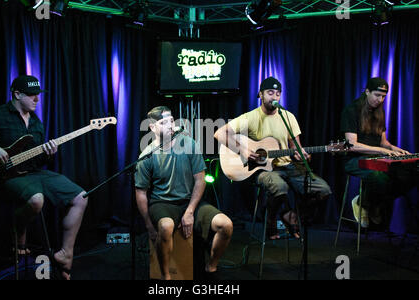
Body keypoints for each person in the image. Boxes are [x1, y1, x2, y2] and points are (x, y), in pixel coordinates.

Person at [0, 75, 88, 280]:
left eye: (38, 95)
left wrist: (49, 154)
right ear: (17, 94)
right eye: (32, 95)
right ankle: (17, 229)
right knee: (36, 199)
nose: (37, 99)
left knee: (81, 196)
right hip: (1, 177)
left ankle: (65, 254)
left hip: (31, 173)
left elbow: (37, 163)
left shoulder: (36, 123)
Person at [214, 77, 332, 239]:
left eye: (278, 94)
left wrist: (301, 154)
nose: (274, 97)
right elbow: (219, 133)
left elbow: (295, 147)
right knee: (279, 186)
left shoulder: (288, 117)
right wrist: (243, 150)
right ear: (260, 95)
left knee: (323, 190)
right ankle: (270, 219)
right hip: (263, 169)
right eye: (270, 93)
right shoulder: (251, 117)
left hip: (289, 167)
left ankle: (292, 216)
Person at [134, 106, 233, 280]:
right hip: (162, 202)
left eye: (171, 120)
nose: (170, 125)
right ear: (152, 127)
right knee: (165, 227)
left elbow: (200, 179)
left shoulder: (189, 144)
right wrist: (149, 226)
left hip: (189, 201)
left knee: (225, 225)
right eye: (164, 122)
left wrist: (190, 211)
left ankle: (211, 266)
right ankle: (165, 276)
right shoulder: (147, 154)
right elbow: (141, 192)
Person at [340, 77, 418, 228]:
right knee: (378, 177)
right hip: (355, 160)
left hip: (376, 158)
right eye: (377, 95)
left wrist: (397, 150)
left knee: (411, 175)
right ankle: (368, 203)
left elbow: (384, 143)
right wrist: (383, 151)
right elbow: (352, 145)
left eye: (383, 96)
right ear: (367, 91)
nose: (380, 100)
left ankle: (369, 202)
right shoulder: (351, 110)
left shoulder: (379, 112)